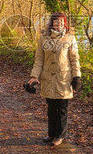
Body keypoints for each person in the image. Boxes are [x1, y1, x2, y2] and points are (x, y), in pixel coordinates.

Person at [26, 12, 82, 146]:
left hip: (64, 78)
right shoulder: (43, 39)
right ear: (51, 23)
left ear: (65, 24)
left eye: (61, 22)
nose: (59, 25)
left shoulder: (70, 38)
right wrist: (34, 76)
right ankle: (51, 134)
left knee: (62, 108)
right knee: (51, 108)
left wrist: (77, 76)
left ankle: (60, 136)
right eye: (56, 22)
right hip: (48, 78)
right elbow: (39, 59)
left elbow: (75, 59)